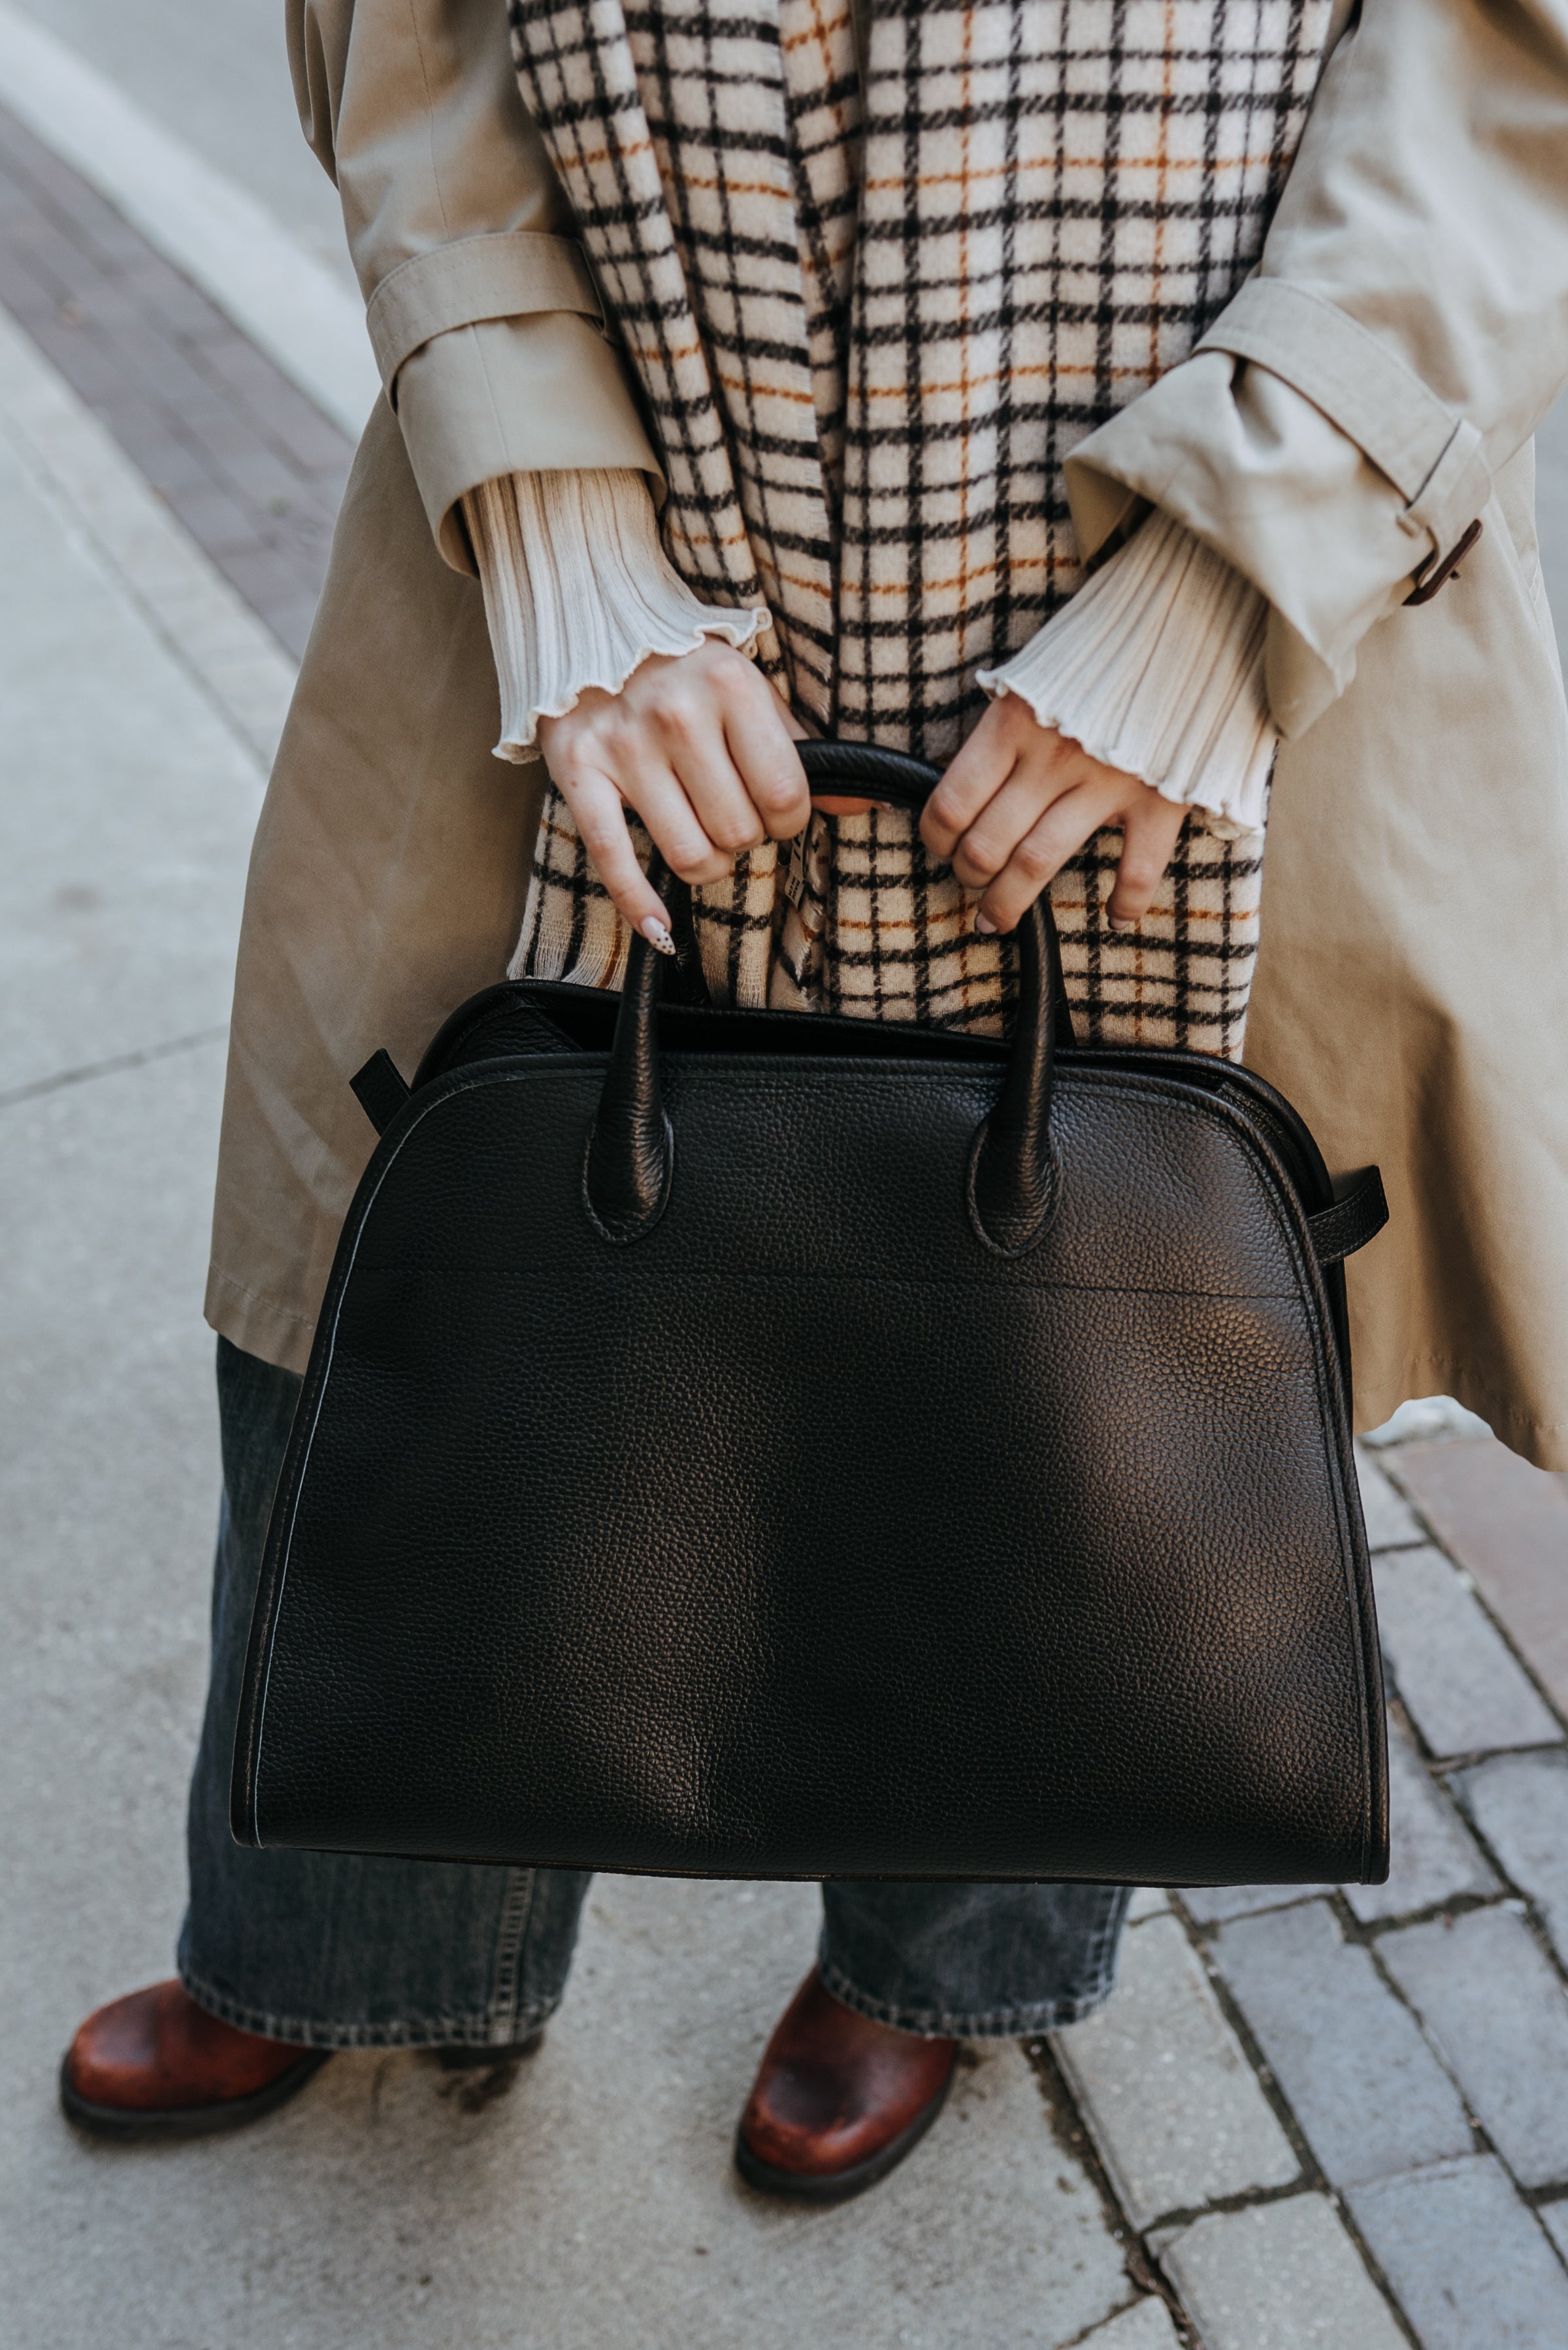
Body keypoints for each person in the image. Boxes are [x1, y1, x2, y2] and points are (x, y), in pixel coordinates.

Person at [59, 0, 1568, 2197]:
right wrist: (544, 485)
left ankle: (938, 1958)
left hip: (1160, 503)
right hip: (612, 465)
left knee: (1097, 1320)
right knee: (407, 1252)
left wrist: (1252, 546)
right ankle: (348, 1936)